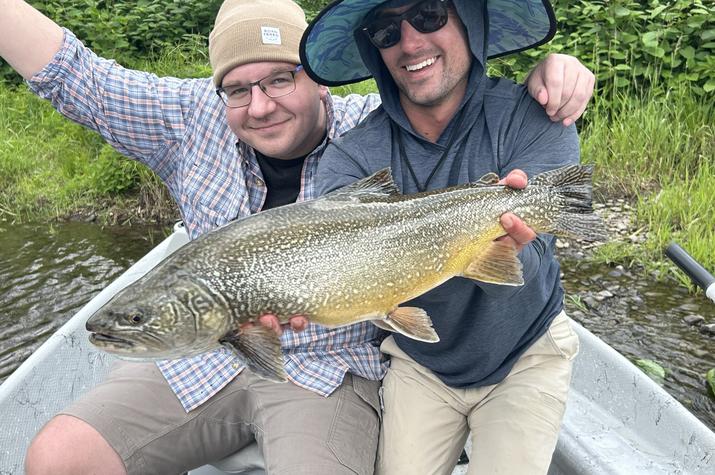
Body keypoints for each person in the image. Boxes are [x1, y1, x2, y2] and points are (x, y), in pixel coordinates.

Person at [0, 0, 593, 473]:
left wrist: (560, 71)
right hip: (204, 360)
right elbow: (75, 75)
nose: (260, 105)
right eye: (238, 89)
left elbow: (442, 85)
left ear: (321, 81)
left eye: (282, 79)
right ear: (220, 93)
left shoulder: (371, 125)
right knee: (57, 456)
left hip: (332, 371)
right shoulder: (193, 120)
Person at [303, 0, 584, 473]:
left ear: (468, 20)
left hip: (527, 349)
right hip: (420, 361)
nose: (410, 42)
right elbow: (350, 277)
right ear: (374, 50)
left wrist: (510, 246)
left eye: (429, 14)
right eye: (386, 31)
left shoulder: (534, 117)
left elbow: (528, 267)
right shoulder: (349, 161)